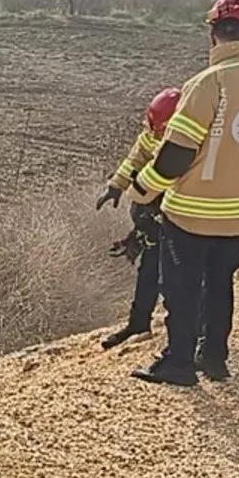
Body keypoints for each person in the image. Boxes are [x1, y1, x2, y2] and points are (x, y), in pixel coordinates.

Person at [125, 0, 239, 386]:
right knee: (220, 286)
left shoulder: (207, 83)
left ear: (213, 35)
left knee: (182, 289)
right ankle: (215, 359)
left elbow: (175, 155)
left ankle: (178, 364)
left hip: (190, 213)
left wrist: (142, 190)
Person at [97, 87, 180, 349]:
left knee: (176, 277)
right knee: (149, 269)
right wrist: (116, 185)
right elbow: (135, 159)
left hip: (178, 217)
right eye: (152, 127)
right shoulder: (151, 135)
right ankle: (139, 323)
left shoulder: (190, 140)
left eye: (161, 129)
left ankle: (182, 335)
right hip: (152, 216)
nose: (155, 134)